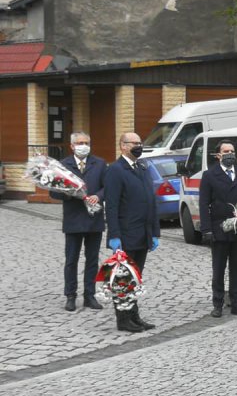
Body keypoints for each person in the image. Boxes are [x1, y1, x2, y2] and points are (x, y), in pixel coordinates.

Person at [104, 132, 160, 332]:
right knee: (123, 278)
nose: (138, 146)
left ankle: (135, 316)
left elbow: (151, 201)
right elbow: (111, 206)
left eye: (140, 142)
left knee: (136, 278)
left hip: (143, 233)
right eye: (134, 143)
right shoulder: (115, 170)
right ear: (123, 146)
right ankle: (123, 319)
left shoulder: (143, 167)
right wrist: (114, 236)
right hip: (126, 234)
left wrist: (155, 232)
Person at [50, 132, 107, 312]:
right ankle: (70, 295)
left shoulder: (99, 163)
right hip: (73, 218)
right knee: (71, 259)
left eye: (86, 142)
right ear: (72, 146)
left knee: (92, 259)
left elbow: (107, 187)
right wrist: (69, 192)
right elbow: (53, 191)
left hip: (94, 218)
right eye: (80, 143)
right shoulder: (63, 165)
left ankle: (89, 295)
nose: (84, 145)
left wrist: (97, 197)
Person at [199, 141, 237, 318]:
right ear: (218, 155)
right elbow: (204, 203)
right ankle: (218, 303)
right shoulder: (209, 175)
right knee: (218, 268)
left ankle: (236, 301)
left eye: (232, 151)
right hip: (219, 227)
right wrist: (206, 229)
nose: (229, 154)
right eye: (226, 151)